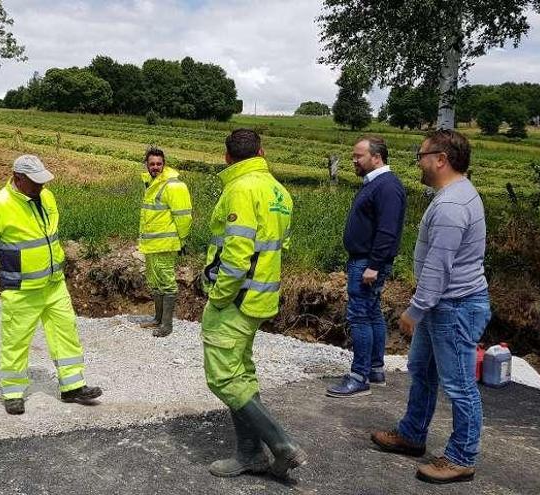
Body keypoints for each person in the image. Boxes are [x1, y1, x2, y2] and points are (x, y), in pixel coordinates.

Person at [370, 130, 490, 484]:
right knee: (421, 369)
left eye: (421, 155)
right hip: (444, 305)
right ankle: (412, 433)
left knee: (459, 385)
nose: (418, 161)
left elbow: (440, 266)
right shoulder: (454, 195)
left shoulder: (452, 205)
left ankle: (461, 457)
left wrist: (415, 310)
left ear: (441, 159)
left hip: (452, 307)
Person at [202, 129, 306, 479]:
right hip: (261, 297)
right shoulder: (279, 190)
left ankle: (281, 445)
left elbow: (236, 255)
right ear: (261, 152)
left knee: (223, 378)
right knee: (241, 374)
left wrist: (218, 296)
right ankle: (250, 454)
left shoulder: (240, 189)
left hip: (235, 299)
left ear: (227, 157)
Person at [0, 155, 103, 415]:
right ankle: (12, 392)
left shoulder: (47, 197)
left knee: (66, 333)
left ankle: (73, 386)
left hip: (54, 284)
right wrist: (7, 263)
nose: (41, 186)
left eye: (42, 181)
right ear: (17, 178)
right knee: (16, 341)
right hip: (21, 289)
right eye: (35, 182)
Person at [327, 136, 406, 398]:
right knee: (372, 314)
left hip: (367, 263)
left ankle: (359, 376)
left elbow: (388, 230)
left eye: (358, 156)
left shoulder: (387, 186)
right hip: (365, 260)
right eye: (353, 156)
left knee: (359, 316)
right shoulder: (376, 184)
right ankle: (374, 369)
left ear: (376, 157)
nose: (353, 160)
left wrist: (373, 265)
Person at [137, 147, 193, 337]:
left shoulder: (173, 186)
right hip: (152, 245)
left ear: (164, 164)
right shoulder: (151, 184)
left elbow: (183, 216)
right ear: (147, 165)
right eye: (152, 164)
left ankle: (166, 325)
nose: (155, 167)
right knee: (155, 281)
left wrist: (182, 240)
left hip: (166, 245)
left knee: (167, 282)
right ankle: (157, 319)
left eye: (159, 164)